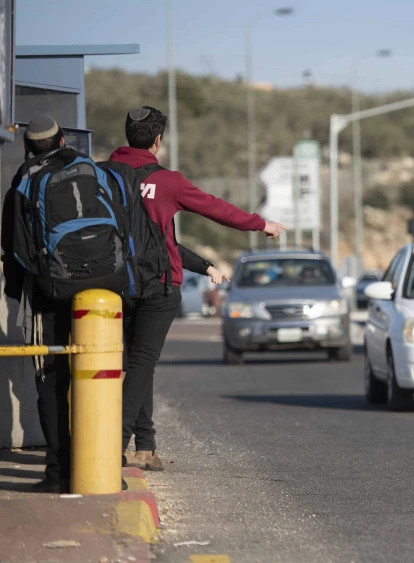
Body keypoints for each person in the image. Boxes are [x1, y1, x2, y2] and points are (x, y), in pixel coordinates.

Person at [109, 106, 285, 471]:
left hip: (116, 283)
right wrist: (260, 223)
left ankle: (145, 445)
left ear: (128, 136)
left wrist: (205, 267)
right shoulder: (167, 181)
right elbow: (215, 208)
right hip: (158, 285)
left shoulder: (103, 174)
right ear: (158, 140)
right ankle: (113, 446)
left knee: (139, 364)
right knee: (142, 363)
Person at [0, 116, 75, 492]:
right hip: (98, 291)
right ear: (63, 140)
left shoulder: (23, 182)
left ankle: (58, 473)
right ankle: (100, 463)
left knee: (49, 379)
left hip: (45, 292)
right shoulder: (86, 169)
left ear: (28, 147)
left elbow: (12, 247)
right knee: (94, 374)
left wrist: (16, 293)